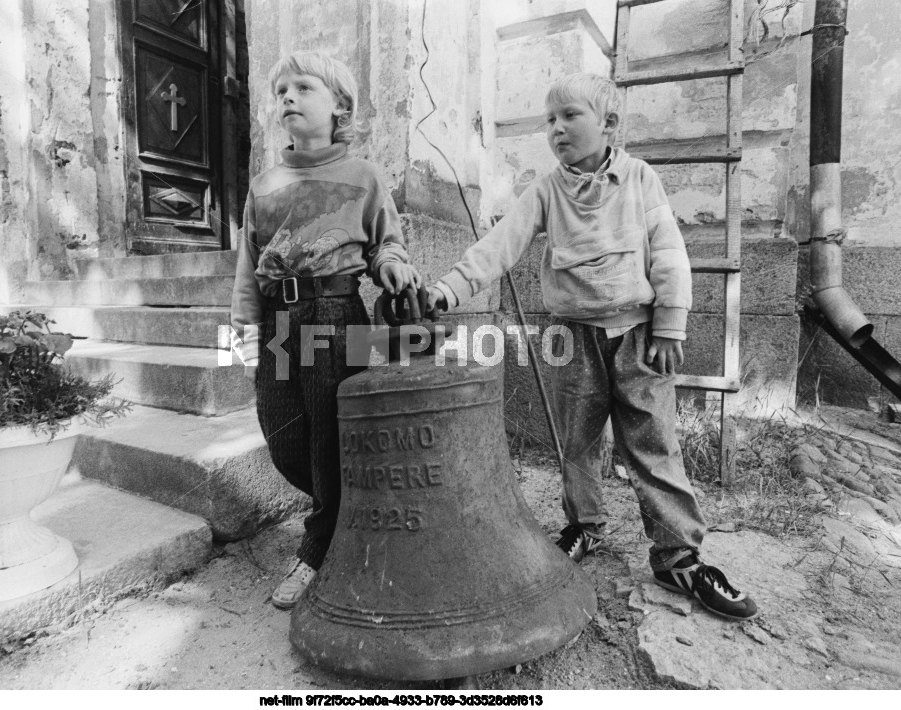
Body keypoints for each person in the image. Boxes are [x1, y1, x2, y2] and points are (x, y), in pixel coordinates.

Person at [425, 73, 757, 621]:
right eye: (548, 121)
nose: (556, 129)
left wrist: (670, 324)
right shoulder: (546, 191)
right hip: (571, 339)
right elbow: (499, 247)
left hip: (639, 337)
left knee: (652, 444)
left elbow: (669, 250)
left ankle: (679, 556)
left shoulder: (640, 179)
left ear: (607, 124)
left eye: (569, 116)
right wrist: (446, 289)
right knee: (574, 443)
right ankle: (585, 526)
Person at [230, 51, 420, 609]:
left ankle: (318, 544)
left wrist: (390, 265)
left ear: (340, 105)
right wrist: (242, 328)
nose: (287, 96)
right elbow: (249, 262)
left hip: (336, 313)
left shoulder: (363, 176)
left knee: (329, 430)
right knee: (281, 431)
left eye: (303, 87)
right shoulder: (265, 183)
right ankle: (351, 512)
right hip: (277, 322)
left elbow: (388, 240)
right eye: (281, 89)